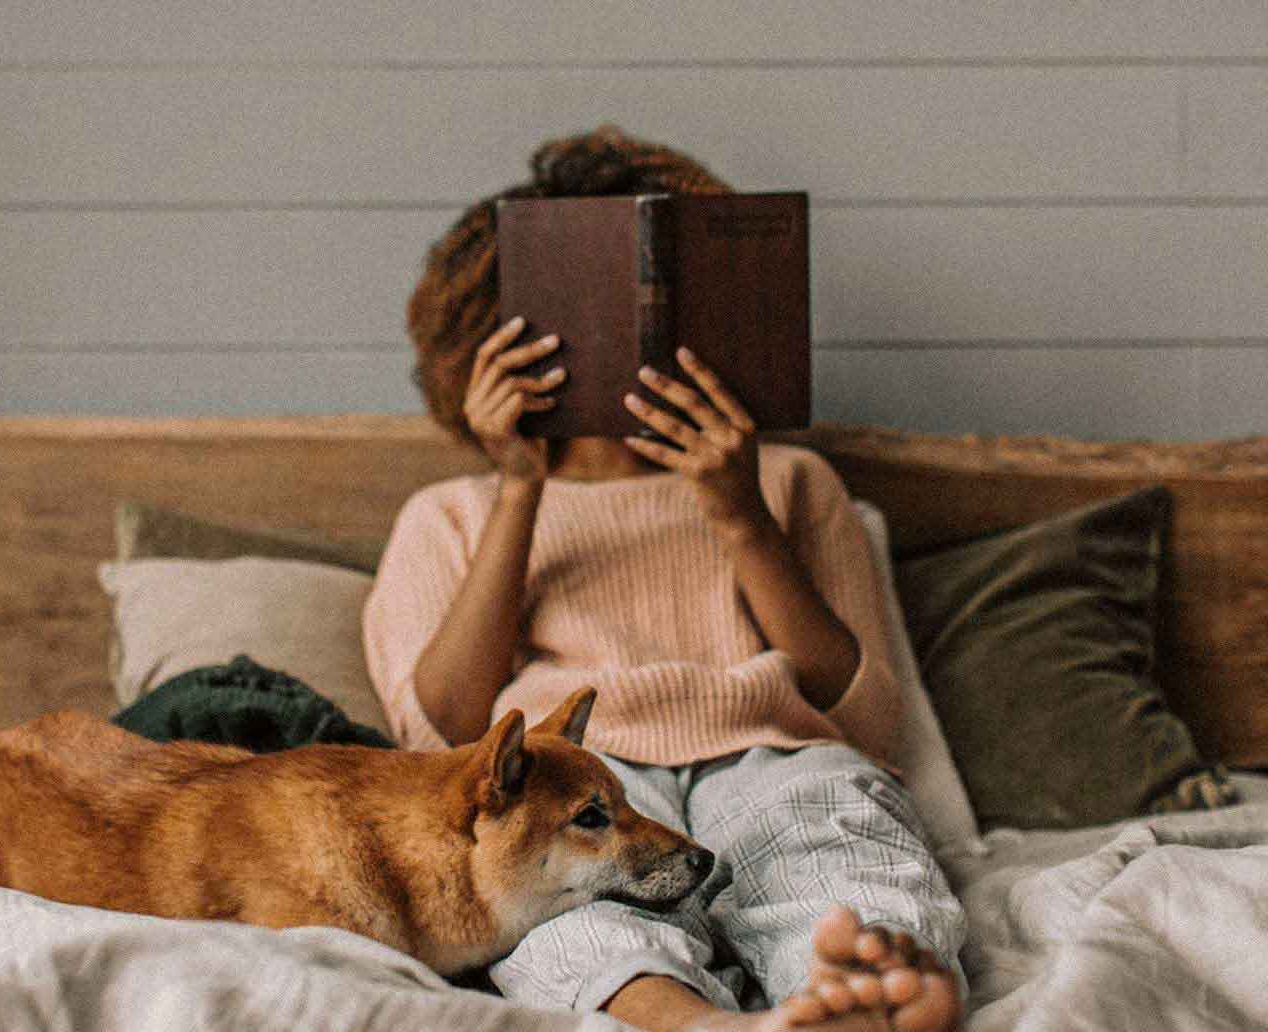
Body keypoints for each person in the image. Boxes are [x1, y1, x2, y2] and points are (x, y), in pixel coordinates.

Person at [363, 126, 965, 1032]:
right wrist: (520, 487)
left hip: (769, 754)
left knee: (833, 841)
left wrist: (735, 508)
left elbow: (867, 718)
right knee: (546, 912)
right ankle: (688, 1021)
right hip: (576, 785)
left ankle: (868, 990)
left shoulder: (790, 482)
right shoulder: (450, 513)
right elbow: (444, 731)